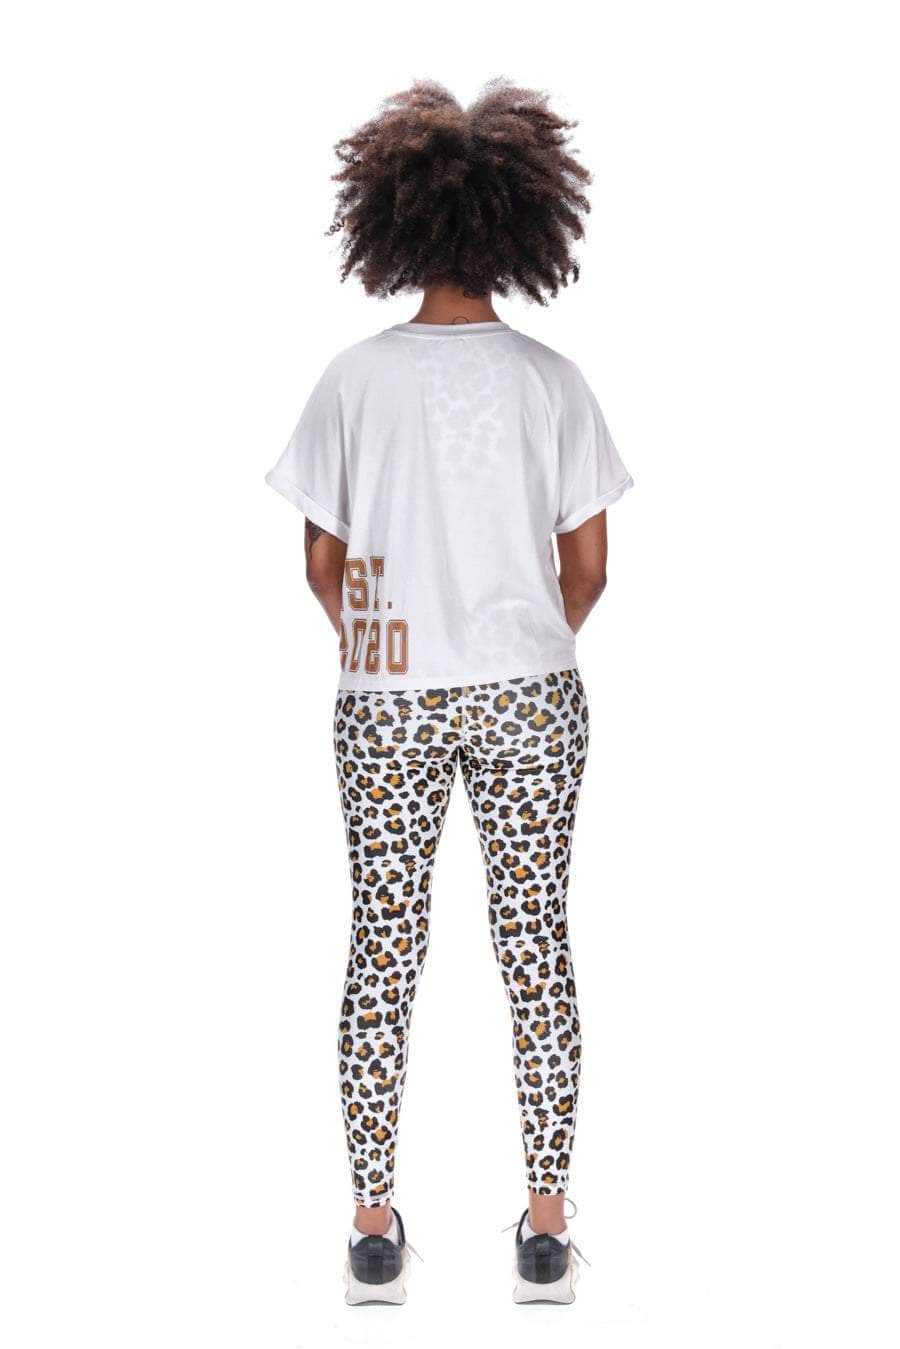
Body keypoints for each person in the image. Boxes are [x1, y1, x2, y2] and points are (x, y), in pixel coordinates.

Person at [265, 77, 633, 1305]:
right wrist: (517, 635)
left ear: (394, 221)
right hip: (530, 694)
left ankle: (373, 1229)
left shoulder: (352, 380)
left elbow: (319, 560)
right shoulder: (552, 381)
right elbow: (589, 568)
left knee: (384, 940)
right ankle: (546, 1229)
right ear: (524, 222)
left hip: (386, 697)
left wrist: (386, 645)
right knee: (535, 944)